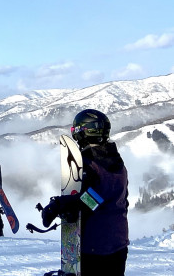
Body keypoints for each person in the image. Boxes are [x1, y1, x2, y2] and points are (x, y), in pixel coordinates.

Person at [41, 109, 129, 276]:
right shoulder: (118, 163)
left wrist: (58, 205)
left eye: (75, 131)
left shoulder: (90, 165)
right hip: (118, 242)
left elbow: (91, 201)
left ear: (83, 132)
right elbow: (122, 198)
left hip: (95, 247)